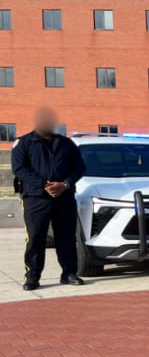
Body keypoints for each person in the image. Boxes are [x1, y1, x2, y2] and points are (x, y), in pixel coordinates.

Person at [11, 107, 86, 291]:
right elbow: (20, 169)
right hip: (36, 198)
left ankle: (68, 273)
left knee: (67, 237)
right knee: (36, 237)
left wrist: (65, 184)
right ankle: (32, 277)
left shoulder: (67, 144)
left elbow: (79, 168)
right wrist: (44, 184)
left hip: (64, 197)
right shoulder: (24, 143)